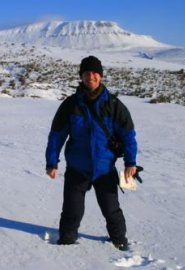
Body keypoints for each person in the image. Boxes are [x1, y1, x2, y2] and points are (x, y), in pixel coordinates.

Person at [45, 56, 138, 251]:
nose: (91, 77)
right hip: (77, 169)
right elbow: (57, 135)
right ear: (81, 76)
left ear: (101, 76)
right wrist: (52, 162)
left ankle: (119, 242)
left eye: (95, 73)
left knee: (111, 210)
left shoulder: (113, 105)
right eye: (87, 73)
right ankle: (66, 245)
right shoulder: (71, 105)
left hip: (104, 169)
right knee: (72, 211)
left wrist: (131, 162)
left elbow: (128, 134)